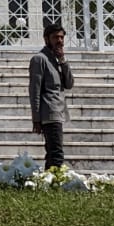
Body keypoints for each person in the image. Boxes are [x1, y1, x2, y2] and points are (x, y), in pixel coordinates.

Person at [28, 22, 73, 169]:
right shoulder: (40, 59)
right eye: (55, 38)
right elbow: (34, 90)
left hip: (59, 112)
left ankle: (50, 183)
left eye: (61, 37)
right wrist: (36, 118)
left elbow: (69, 84)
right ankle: (55, 183)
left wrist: (63, 61)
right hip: (49, 112)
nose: (59, 41)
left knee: (54, 152)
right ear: (47, 39)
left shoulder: (57, 60)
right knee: (56, 153)